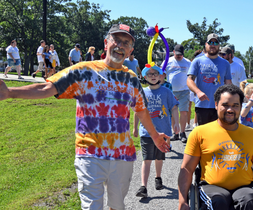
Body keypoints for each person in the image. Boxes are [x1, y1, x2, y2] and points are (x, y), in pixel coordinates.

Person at [0, 23, 170, 210]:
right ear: (106, 43)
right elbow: (47, 88)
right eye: (116, 40)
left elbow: (141, 109)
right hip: (89, 154)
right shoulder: (84, 71)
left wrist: (154, 136)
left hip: (122, 155)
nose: (120, 46)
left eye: (126, 43)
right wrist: (9, 93)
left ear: (131, 50)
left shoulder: (131, 79)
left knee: (117, 206)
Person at [178, 84, 253, 210]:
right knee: (217, 201)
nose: (230, 109)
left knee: (250, 201)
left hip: (244, 187)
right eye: (225, 105)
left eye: (235, 105)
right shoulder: (200, 133)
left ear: (240, 107)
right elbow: (187, 168)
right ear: (216, 105)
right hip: (212, 187)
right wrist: (183, 202)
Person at [133, 65, 179, 198]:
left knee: (159, 158)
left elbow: (174, 107)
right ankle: (143, 187)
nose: (153, 76)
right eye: (150, 74)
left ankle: (158, 177)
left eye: (155, 74)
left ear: (160, 76)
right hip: (146, 132)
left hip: (163, 132)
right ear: (145, 77)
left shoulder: (166, 92)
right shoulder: (142, 92)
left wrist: (176, 122)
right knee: (147, 159)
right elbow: (137, 111)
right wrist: (135, 127)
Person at [187, 33, 232, 126]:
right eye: (210, 42)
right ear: (206, 44)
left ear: (219, 46)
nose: (213, 45)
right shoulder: (197, 61)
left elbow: (228, 84)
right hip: (202, 105)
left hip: (220, 105)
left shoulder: (225, 63)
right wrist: (198, 92)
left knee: (219, 135)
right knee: (204, 136)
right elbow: (189, 80)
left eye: (215, 43)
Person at [162, 44, 192, 143]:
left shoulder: (187, 62)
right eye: (177, 54)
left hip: (184, 91)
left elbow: (192, 77)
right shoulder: (167, 61)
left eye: (181, 54)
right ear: (173, 52)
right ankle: (176, 133)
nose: (179, 56)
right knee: (172, 114)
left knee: (183, 112)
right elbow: (161, 74)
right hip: (170, 91)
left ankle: (183, 133)